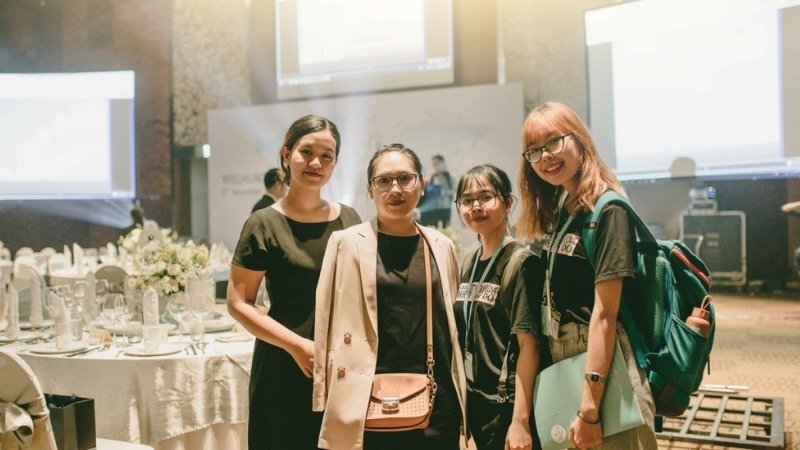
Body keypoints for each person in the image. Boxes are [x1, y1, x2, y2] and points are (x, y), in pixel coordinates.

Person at [516, 101, 658, 450]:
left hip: (606, 364)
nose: (545, 157)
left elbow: (605, 315)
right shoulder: (566, 208)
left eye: (553, 142)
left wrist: (590, 408)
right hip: (568, 357)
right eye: (534, 150)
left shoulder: (607, 209)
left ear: (579, 139)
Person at [313, 143, 467, 450]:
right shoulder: (345, 243)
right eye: (383, 180)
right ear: (370, 190)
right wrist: (322, 392)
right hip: (366, 398)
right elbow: (324, 320)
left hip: (436, 399)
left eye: (405, 178)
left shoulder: (441, 245)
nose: (395, 189)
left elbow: (451, 325)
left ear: (422, 185)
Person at [227, 114, 361, 450]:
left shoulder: (349, 218)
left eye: (327, 156)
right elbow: (239, 303)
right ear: (286, 155)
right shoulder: (263, 224)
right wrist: (297, 347)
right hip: (282, 365)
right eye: (307, 152)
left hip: (340, 367)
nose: (316, 163)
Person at [454, 164, 543, 450]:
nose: (475, 207)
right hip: (478, 401)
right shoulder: (469, 262)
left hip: (508, 406)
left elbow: (529, 346)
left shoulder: (522, 263)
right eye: (467, 200)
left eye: (485, 197)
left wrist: (520, 422)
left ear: (508, 203)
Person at [419, 154, 454, 227]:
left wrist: (444, 192)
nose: (434, 166)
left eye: (436, 164)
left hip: (445, 209)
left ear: (442, 163)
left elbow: (455, 191)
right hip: (434, 210)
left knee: (445, 229)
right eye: (433, 164)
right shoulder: (433, 177)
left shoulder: (449, 177)